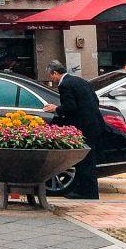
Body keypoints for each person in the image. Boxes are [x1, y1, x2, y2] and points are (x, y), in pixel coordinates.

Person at [42, 60, 103, 200]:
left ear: (55, 73)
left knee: (83, 160)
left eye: (51, 76)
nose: (51, 79)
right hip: (93, 124)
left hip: (82, 126)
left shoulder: (65, 85)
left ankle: (86, 192)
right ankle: (90, 191)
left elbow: (70, 107)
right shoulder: (79, 81)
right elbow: (95, 101)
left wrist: (55, 109)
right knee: (89, 159)